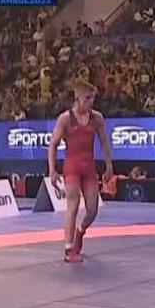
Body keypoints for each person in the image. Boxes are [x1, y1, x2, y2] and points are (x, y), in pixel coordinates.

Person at [49, 83, 113, 263]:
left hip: (89, 168)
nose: (91, 102)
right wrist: (52, 170)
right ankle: (69, 249)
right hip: (72, 168)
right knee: (73, 205)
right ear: (77, 99)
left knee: (92, 210)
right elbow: (53, 145)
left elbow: (104, 142)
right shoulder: (65, 119)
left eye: (93, 98)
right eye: (88, 98)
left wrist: (109, 166)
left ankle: (81, 230)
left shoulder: (97, 118)